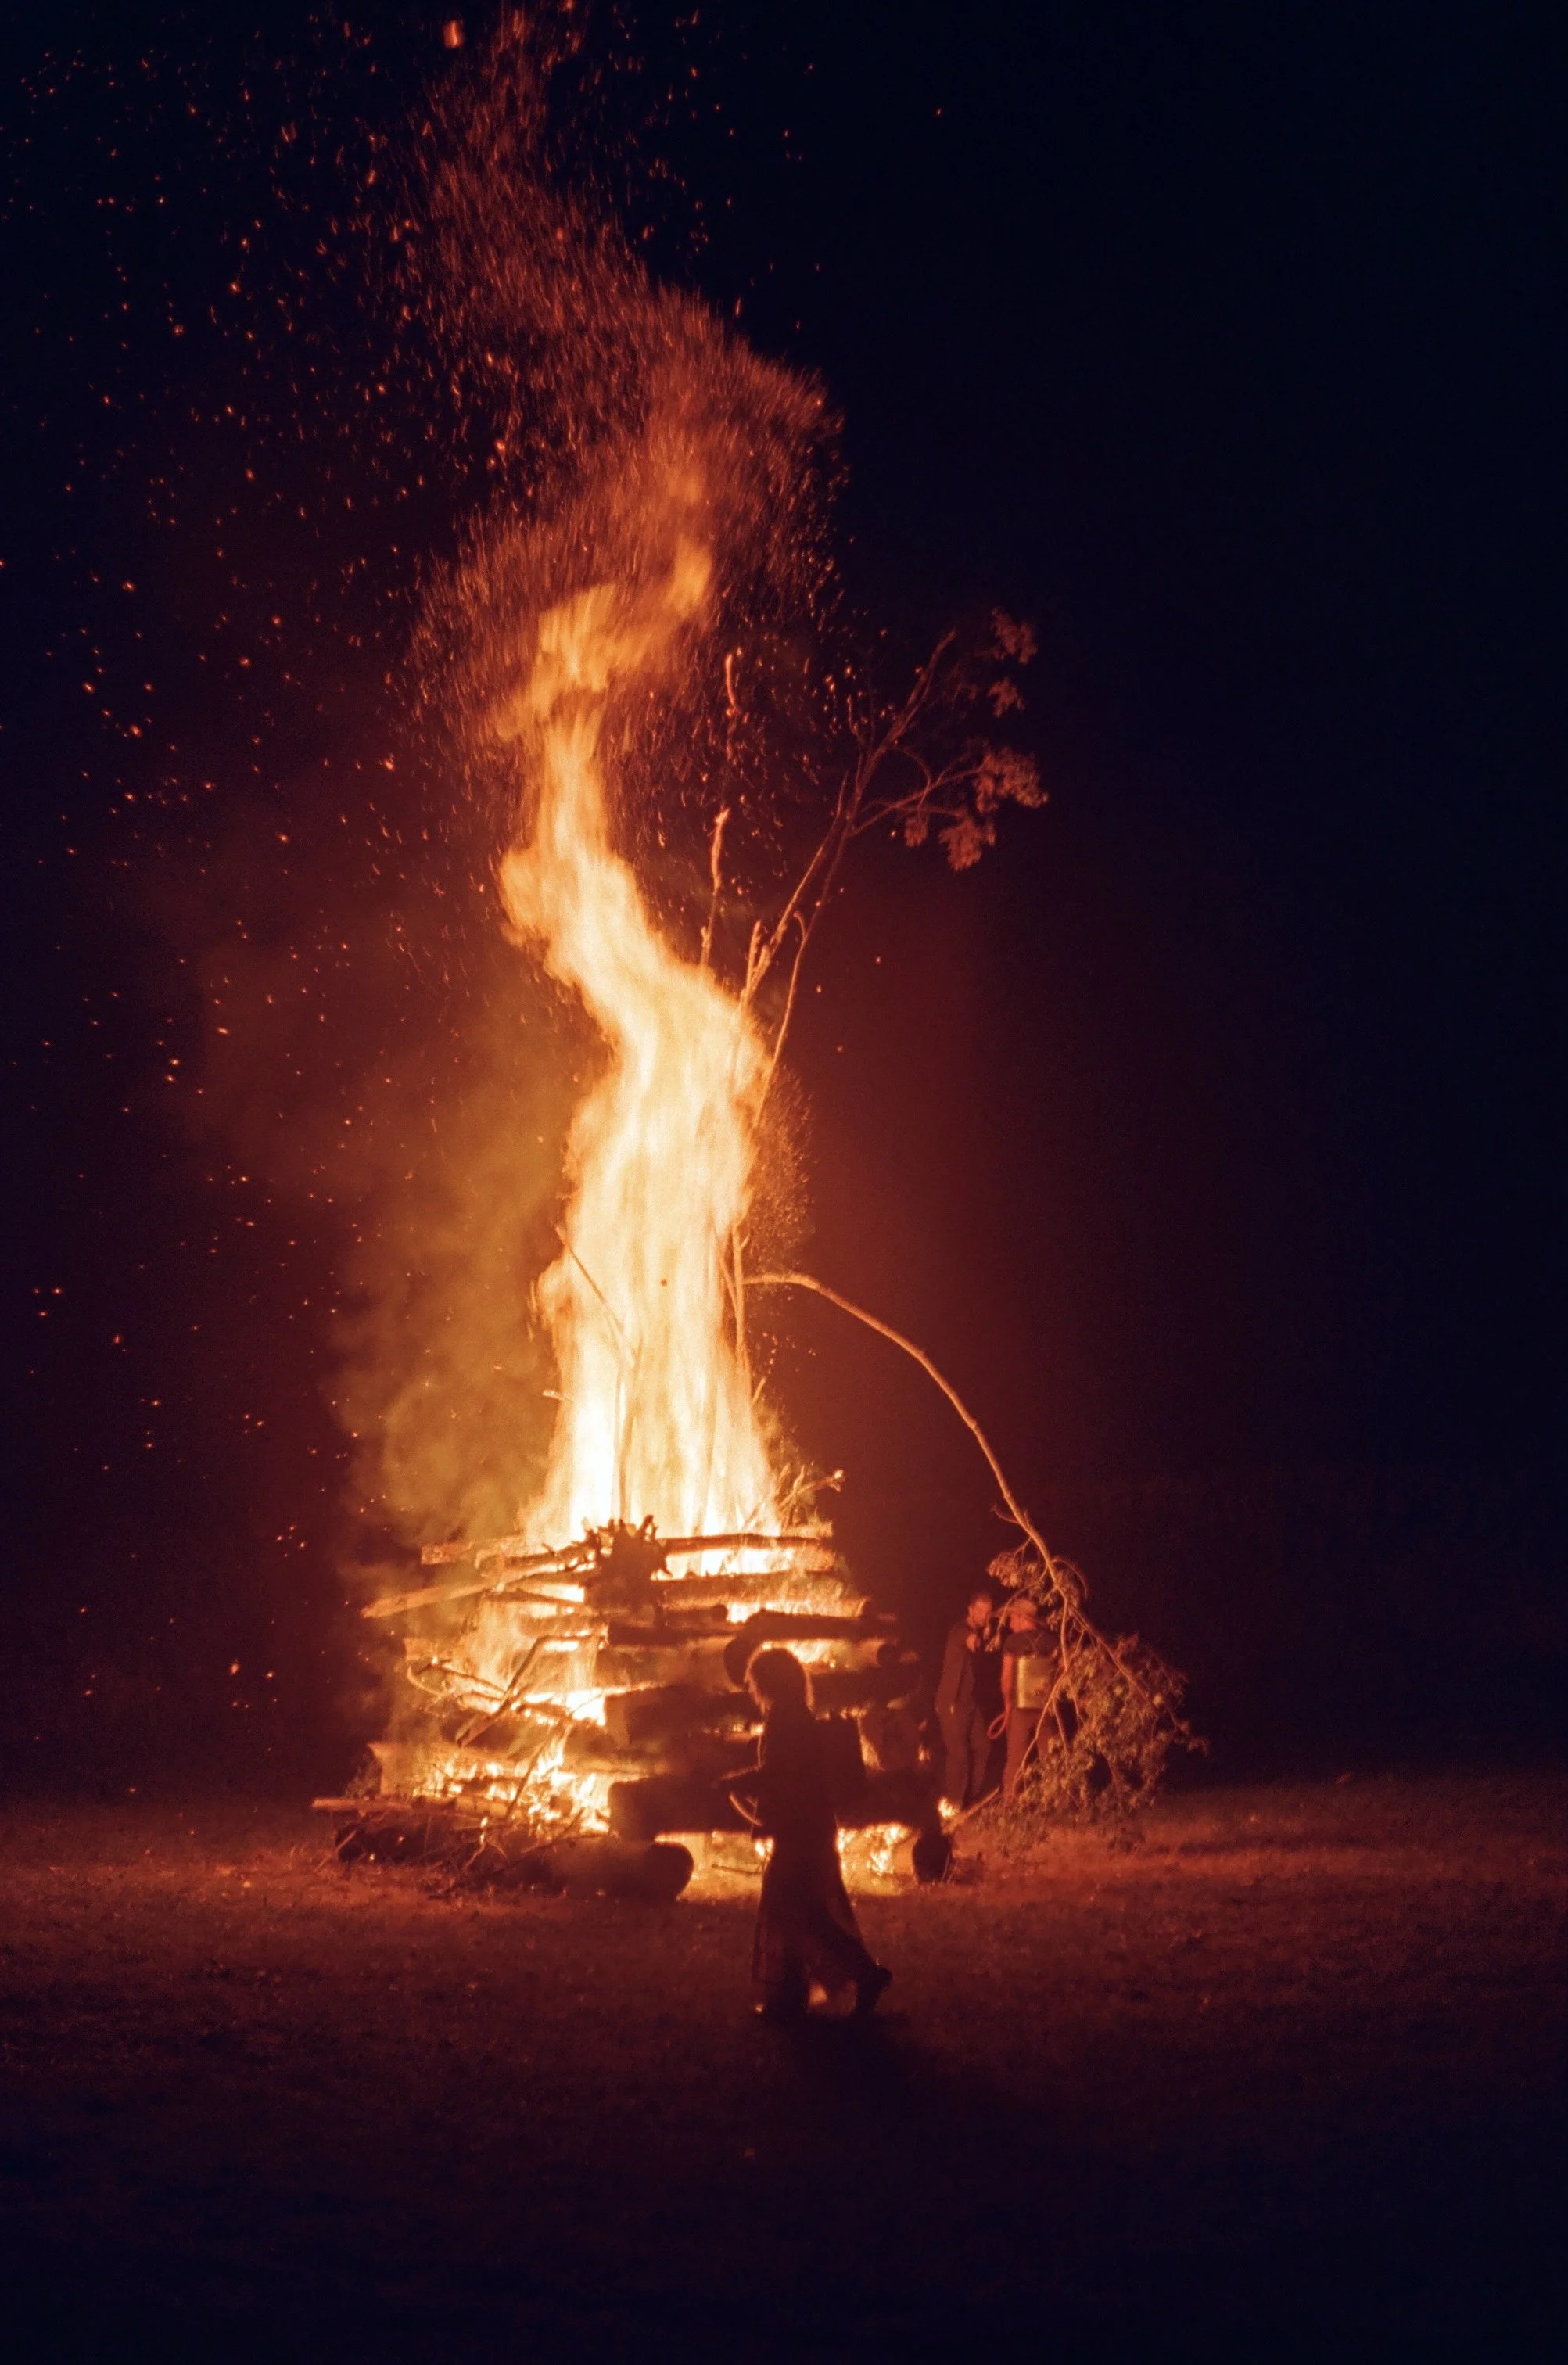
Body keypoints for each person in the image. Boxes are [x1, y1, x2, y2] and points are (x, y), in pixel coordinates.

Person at [728, 1648, 892, 2022]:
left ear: (767, 1681)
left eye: (756, 1679)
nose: (751, 1687)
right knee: (797, 1909)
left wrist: (737, 1782)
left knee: (799, 1910)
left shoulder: (786, 1719)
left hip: (800, 1828)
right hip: (807, 1825)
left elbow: (779, 1774)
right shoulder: (794, 1715)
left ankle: (863, 1975)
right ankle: (790, 1996)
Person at [934, 1584, 1003, 1809]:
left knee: (983, 1747)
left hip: (969, 1703)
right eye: (980, 1611)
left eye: (988, 1612)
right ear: (970, 1609)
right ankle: (953, 1803)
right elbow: (972, 1641)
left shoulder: (981, 1631)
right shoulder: (960, 1630)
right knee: (959, 1756)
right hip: (952, 1703)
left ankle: (971, 1797)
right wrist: (982, 1637)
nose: (984, 1616)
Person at [993, 1591, 1058, 1798]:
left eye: (1012, 1618)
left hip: (1020, 1707)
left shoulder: (1012, 1642)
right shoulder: (1051, 1640)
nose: (1010, 1623)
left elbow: (1007, 1676)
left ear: (1022, 1618)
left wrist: (1007, 1703)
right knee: (1049, 1755)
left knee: (1015, 1759)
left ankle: (1010, 1801)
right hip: (1046, 1707)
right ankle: (1056, 1800)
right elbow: (1064, 1669)